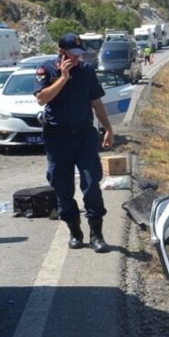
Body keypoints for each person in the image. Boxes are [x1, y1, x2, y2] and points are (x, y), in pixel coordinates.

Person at [34, 33, 115, 252]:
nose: (78, 58)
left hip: (84, 135)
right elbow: (42, 98)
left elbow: (96, 101)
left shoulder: (86, 71)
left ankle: (97, 234)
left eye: (80, 54)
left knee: (91, 184)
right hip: (57, 137)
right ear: (61, 52)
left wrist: (107, 128)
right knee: (62, 185)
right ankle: (74, 231)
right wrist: (63, 78)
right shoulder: (46, 69)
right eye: (73, 54)